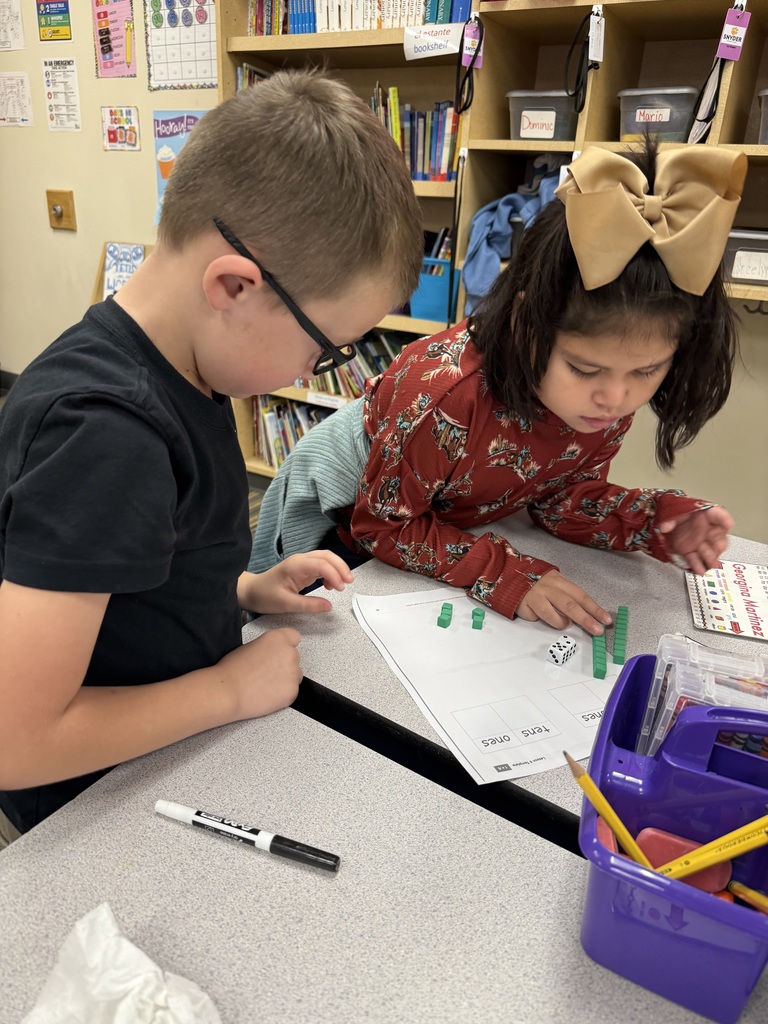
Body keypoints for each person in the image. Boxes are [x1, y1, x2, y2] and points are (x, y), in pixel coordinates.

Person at [0, 69, 423, 846]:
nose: (311, 372)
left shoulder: (186, 367)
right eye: (325, 349)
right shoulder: (105, 435)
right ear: (233, 286)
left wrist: (240, 590)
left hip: (167, 746)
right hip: (94, 810)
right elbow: (17, 741)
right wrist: (226, 692)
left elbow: (127, 586)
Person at [250, 141, 747, 639]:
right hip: (344, 512)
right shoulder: (446, 392)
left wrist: (652, 521)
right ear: (525, 324)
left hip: (439, 516)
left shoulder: (600, 396)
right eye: (583, 369)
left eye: (647, 371)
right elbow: (383, 527)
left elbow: (557, 498)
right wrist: (501, 572)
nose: (615, 399)